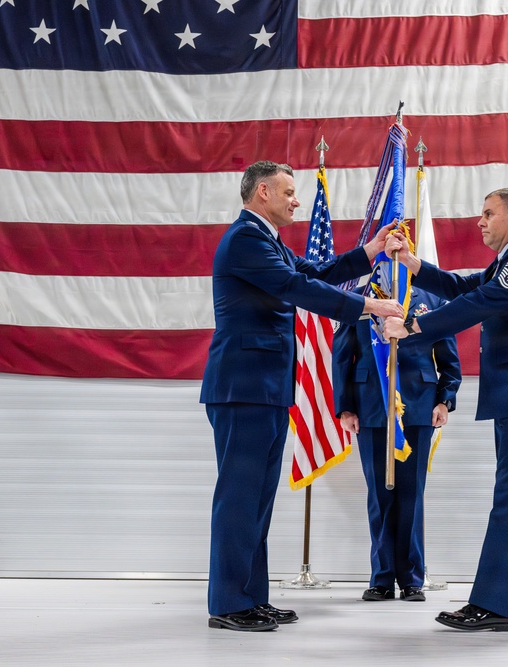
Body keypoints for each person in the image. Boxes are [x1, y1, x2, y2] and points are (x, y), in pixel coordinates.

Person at [199, 160, 404, 632]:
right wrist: (370, 306)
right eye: (289, 192)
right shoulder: (246, 239)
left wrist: (370, 251)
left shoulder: (268, 241)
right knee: (239, 499)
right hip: (243, 388)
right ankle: (228, 603)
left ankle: (251, 597)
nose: (297, 201)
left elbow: (317, 272)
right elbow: (297, 287)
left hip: (267, 388)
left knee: (258, 501)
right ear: (263, 192)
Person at [383, 188, 508, 631]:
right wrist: (415, 265)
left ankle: (493, 604)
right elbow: (465, 287)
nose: (480, 221)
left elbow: (480, 302)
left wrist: (414, 325)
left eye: (489, 213)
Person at [333, 284, 461, 603]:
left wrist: (444, 400)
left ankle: (412, 579)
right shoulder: (359, 298)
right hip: (371, 405)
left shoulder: (431, 299)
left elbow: (448, 357)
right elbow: (342, 355)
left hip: (419, 404)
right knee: (379, 495)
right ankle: (381, 578)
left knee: (411, 493)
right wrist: (345, 406)